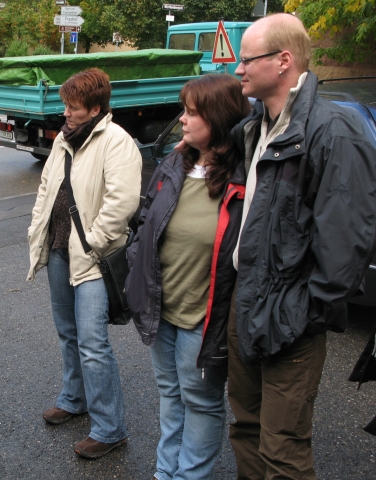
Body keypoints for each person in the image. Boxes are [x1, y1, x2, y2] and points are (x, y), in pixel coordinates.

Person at [228, 13, 376, 479]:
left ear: (283, 61)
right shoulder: (255, 127)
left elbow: (346, 245)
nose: (238, 69)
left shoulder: (333, 131)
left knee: (282, 449)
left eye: (247, 59)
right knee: (246, 428)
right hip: (246, 300)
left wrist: (303, 311)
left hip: (290, 314)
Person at [124, 74, 250, 479]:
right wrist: (136, 261)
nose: (181, 119)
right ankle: (166, 473)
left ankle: (189, 476)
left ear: (219, 118)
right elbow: (145, 220)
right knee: (170, 394)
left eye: (192, 112)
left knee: (200, 400)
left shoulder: (245, 176)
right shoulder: (174, 163)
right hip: (161, 308)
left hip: (204, 317)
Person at [27, 68, 141, 459]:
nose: (66, 113)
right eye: (66, 105)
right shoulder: (64, 139)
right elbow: (46, 188)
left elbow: (122, 203)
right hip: (59, 249)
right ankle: (74, 398)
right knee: (68, 331)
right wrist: (38, 228)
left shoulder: (116, 142)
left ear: (95, 109)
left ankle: (110, 429)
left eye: (73, 107)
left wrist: (92, 244)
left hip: (93, 257)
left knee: (93, 342)